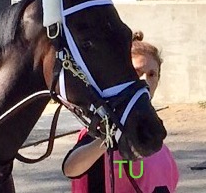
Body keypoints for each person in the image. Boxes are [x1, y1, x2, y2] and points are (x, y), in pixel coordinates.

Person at [63, 31, 179, 193]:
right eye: (138, 72)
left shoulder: (154, 132)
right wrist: (108, 136)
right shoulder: (101, 125)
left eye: (152, 74)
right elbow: (70, 168)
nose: (145, 81)